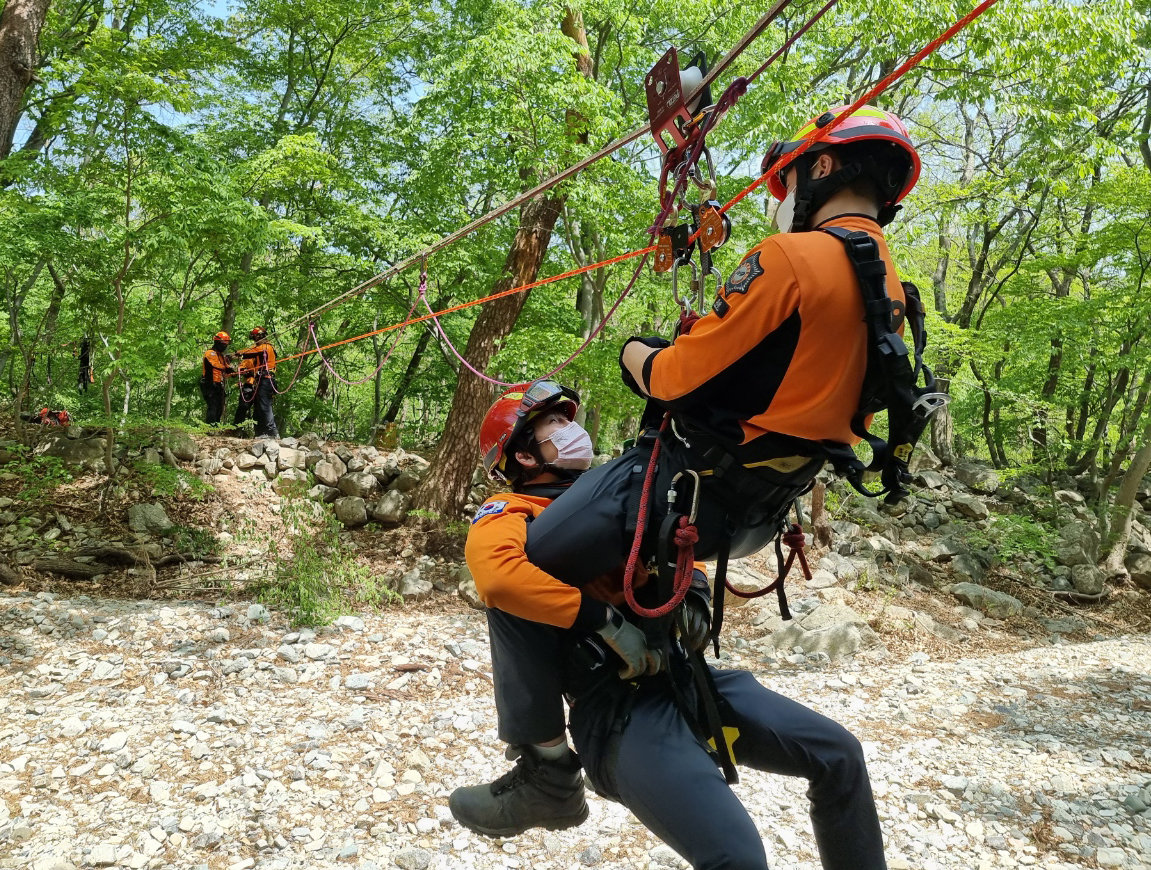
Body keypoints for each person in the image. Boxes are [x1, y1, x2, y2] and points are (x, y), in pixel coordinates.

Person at [451, 380, 889, 870]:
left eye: (568, 419)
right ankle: (546, 773)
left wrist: (696, 593)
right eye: (554, 423)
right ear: (526, 457)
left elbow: (680, 543)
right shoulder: (512, 512)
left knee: (840, 756)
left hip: (688, 681)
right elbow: (497, 576)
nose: (572, 429)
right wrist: (604, 621)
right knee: (736, 858)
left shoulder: (623, 496)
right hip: (619, 708)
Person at [233, 327, 279, 438]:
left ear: (259, 337)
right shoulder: (262, 348)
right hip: (261, 380)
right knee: (259, 408)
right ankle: (263, 433)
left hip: (266, 379)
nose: (254, 341)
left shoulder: (265, 347)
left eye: (254, 338)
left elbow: (250, 352)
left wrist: (238, 353)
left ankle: (272, 432)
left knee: (264, 406)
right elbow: (248, 358)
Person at [200, 331, 235, 425]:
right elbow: (216, 365)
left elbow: (225, 367)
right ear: (217, 342)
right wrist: (227, 367)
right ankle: (210, 428)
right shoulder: (210, 353)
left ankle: (216, 426)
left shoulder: (221, 356)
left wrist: (233, 371)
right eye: (224, 344)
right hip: (209, 384)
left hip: (218, 384)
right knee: (213, 406)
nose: (225, 346)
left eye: (226, 344)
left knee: (220, 407)